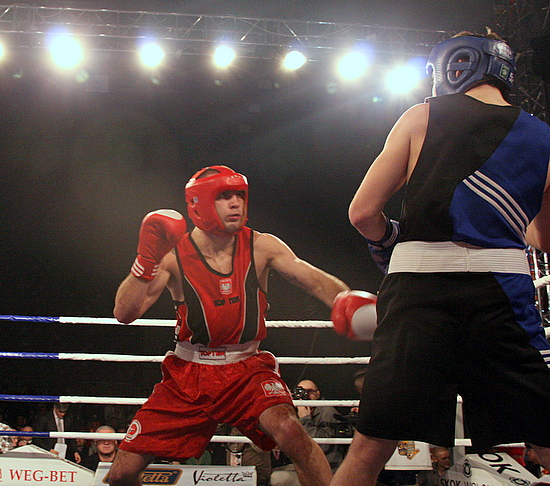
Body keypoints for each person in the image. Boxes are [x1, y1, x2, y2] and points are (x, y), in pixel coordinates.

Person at [329, 31, 550, 486]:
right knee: (546, 434)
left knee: (371, 446)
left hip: (418, 291)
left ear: (454, 65)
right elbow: (544, 239)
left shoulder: (421, 115)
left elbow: (362, 212)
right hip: (503, 293)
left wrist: (389, 238)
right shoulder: (544, 136)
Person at [108, 165, 355, 486]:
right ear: (199, 203)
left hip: (247, 370)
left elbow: (314, 280)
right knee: (121, 474)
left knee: (290, 430)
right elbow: (124, 313)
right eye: (224, 196)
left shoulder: (261, 245)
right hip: (188, 375)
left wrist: (348, 301)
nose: (236, 203)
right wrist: (145, 261)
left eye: (239, 195)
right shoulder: (173, 255)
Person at [271, 379, 345, 486]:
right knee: (270, 472)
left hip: (325, 467)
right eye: (300, 391)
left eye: (309, 391)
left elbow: (323, 446)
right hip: (305, 465)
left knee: (277, 478)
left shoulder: (327, 410)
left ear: (318, 394)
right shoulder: (295, 410)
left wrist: (305, 419)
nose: (305, 395)